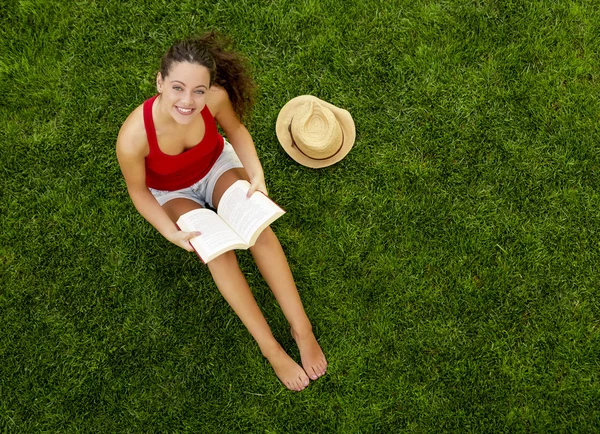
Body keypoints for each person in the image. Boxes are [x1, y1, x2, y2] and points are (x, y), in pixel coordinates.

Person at [116, 32, 326, 392]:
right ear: (160, 82)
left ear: (209, 87)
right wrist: (170, 231)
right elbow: (139, 192)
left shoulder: (215, 99)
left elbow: (237, 131)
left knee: (259, 229)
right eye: (178, 88)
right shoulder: (133, 138)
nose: (188, 101)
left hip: (217, 167)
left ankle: (301, 329)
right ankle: (271, 349)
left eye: (198, 90)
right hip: (172, 191)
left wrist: (255, 172)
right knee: (220, 254)